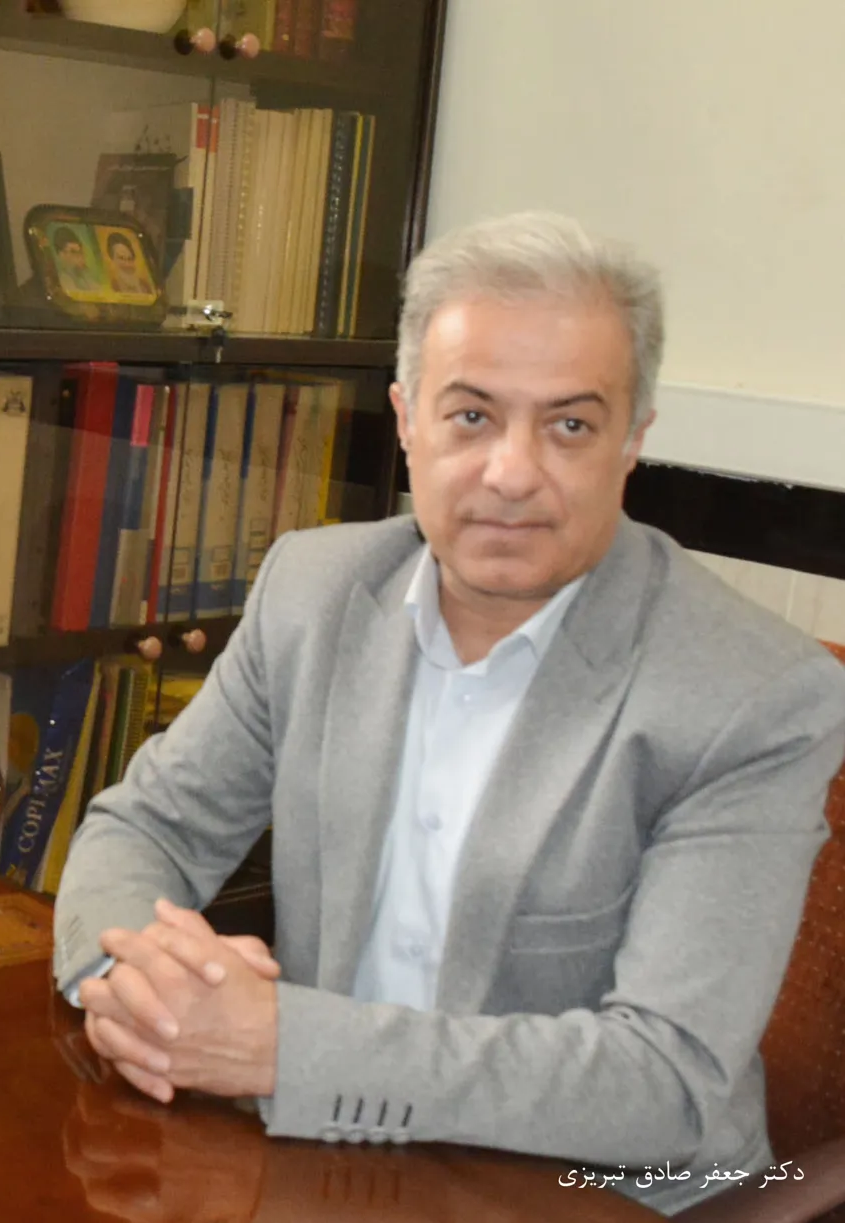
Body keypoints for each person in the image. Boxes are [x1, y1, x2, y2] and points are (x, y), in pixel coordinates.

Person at [52, 211, 845, 1215]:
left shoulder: (752, 693)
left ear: (632, 441)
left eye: (569, 425)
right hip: (325, 1172)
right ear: (406, 418)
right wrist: (135, 981)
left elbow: (665, 1080)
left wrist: (286, 1047)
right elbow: (145, 828)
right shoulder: (313, 593)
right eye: (471, 415)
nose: (511, 473)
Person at [105, 231, 153, 297]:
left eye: (130, 259)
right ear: (112, 261)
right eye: (121, 258)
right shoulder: (109, 289)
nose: (127, 265)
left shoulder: (146, 287)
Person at [53, 226, 98, 296]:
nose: (79, 257)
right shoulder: (63, 280)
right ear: (61, 254)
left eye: (80, 252)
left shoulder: (85, 277)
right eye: (73, 252)